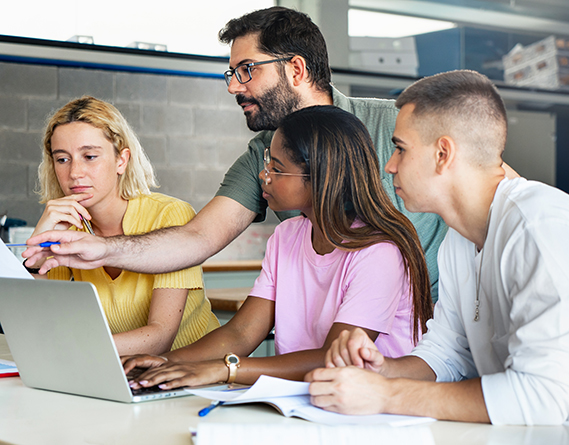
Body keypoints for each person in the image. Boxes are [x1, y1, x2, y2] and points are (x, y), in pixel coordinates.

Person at [305, 70, 569, 442]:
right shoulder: (460, 240)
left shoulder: (540, 227)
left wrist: (386, 396)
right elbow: (447, 354)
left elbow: (542, 398)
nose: (390, 165)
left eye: (400, 148)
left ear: (443, 154)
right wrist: (382, 371)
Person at [23, 6, 449, 302]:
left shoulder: (394, 123)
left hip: (433, 329)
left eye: (247, 70)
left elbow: (490, 179)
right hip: (338, 339)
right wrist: (102, 249)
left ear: (296, 70)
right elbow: (197, 238)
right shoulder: (262, 155)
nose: (233, 86)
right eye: (231, 73)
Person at [121, 105, 433, 389]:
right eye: (268, 162)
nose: (263, 175)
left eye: (277, 168)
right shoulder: (287, 236)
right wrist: (169, 362)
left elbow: (335, 358)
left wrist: (225, 370)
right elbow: (240, 333)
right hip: (307, 398)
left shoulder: (379, 252)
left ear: (321, 177)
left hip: (375, 408)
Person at [31, 96, 219, 356]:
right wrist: (38, 249)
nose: (75, 173)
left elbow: (160, 337)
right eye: (62, 159)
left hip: (192, 374)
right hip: (117, 370)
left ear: (121, 160)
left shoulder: (169, 215)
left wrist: (76, 347)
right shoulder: (68, 228)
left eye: (89, 156)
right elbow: (40, 324)